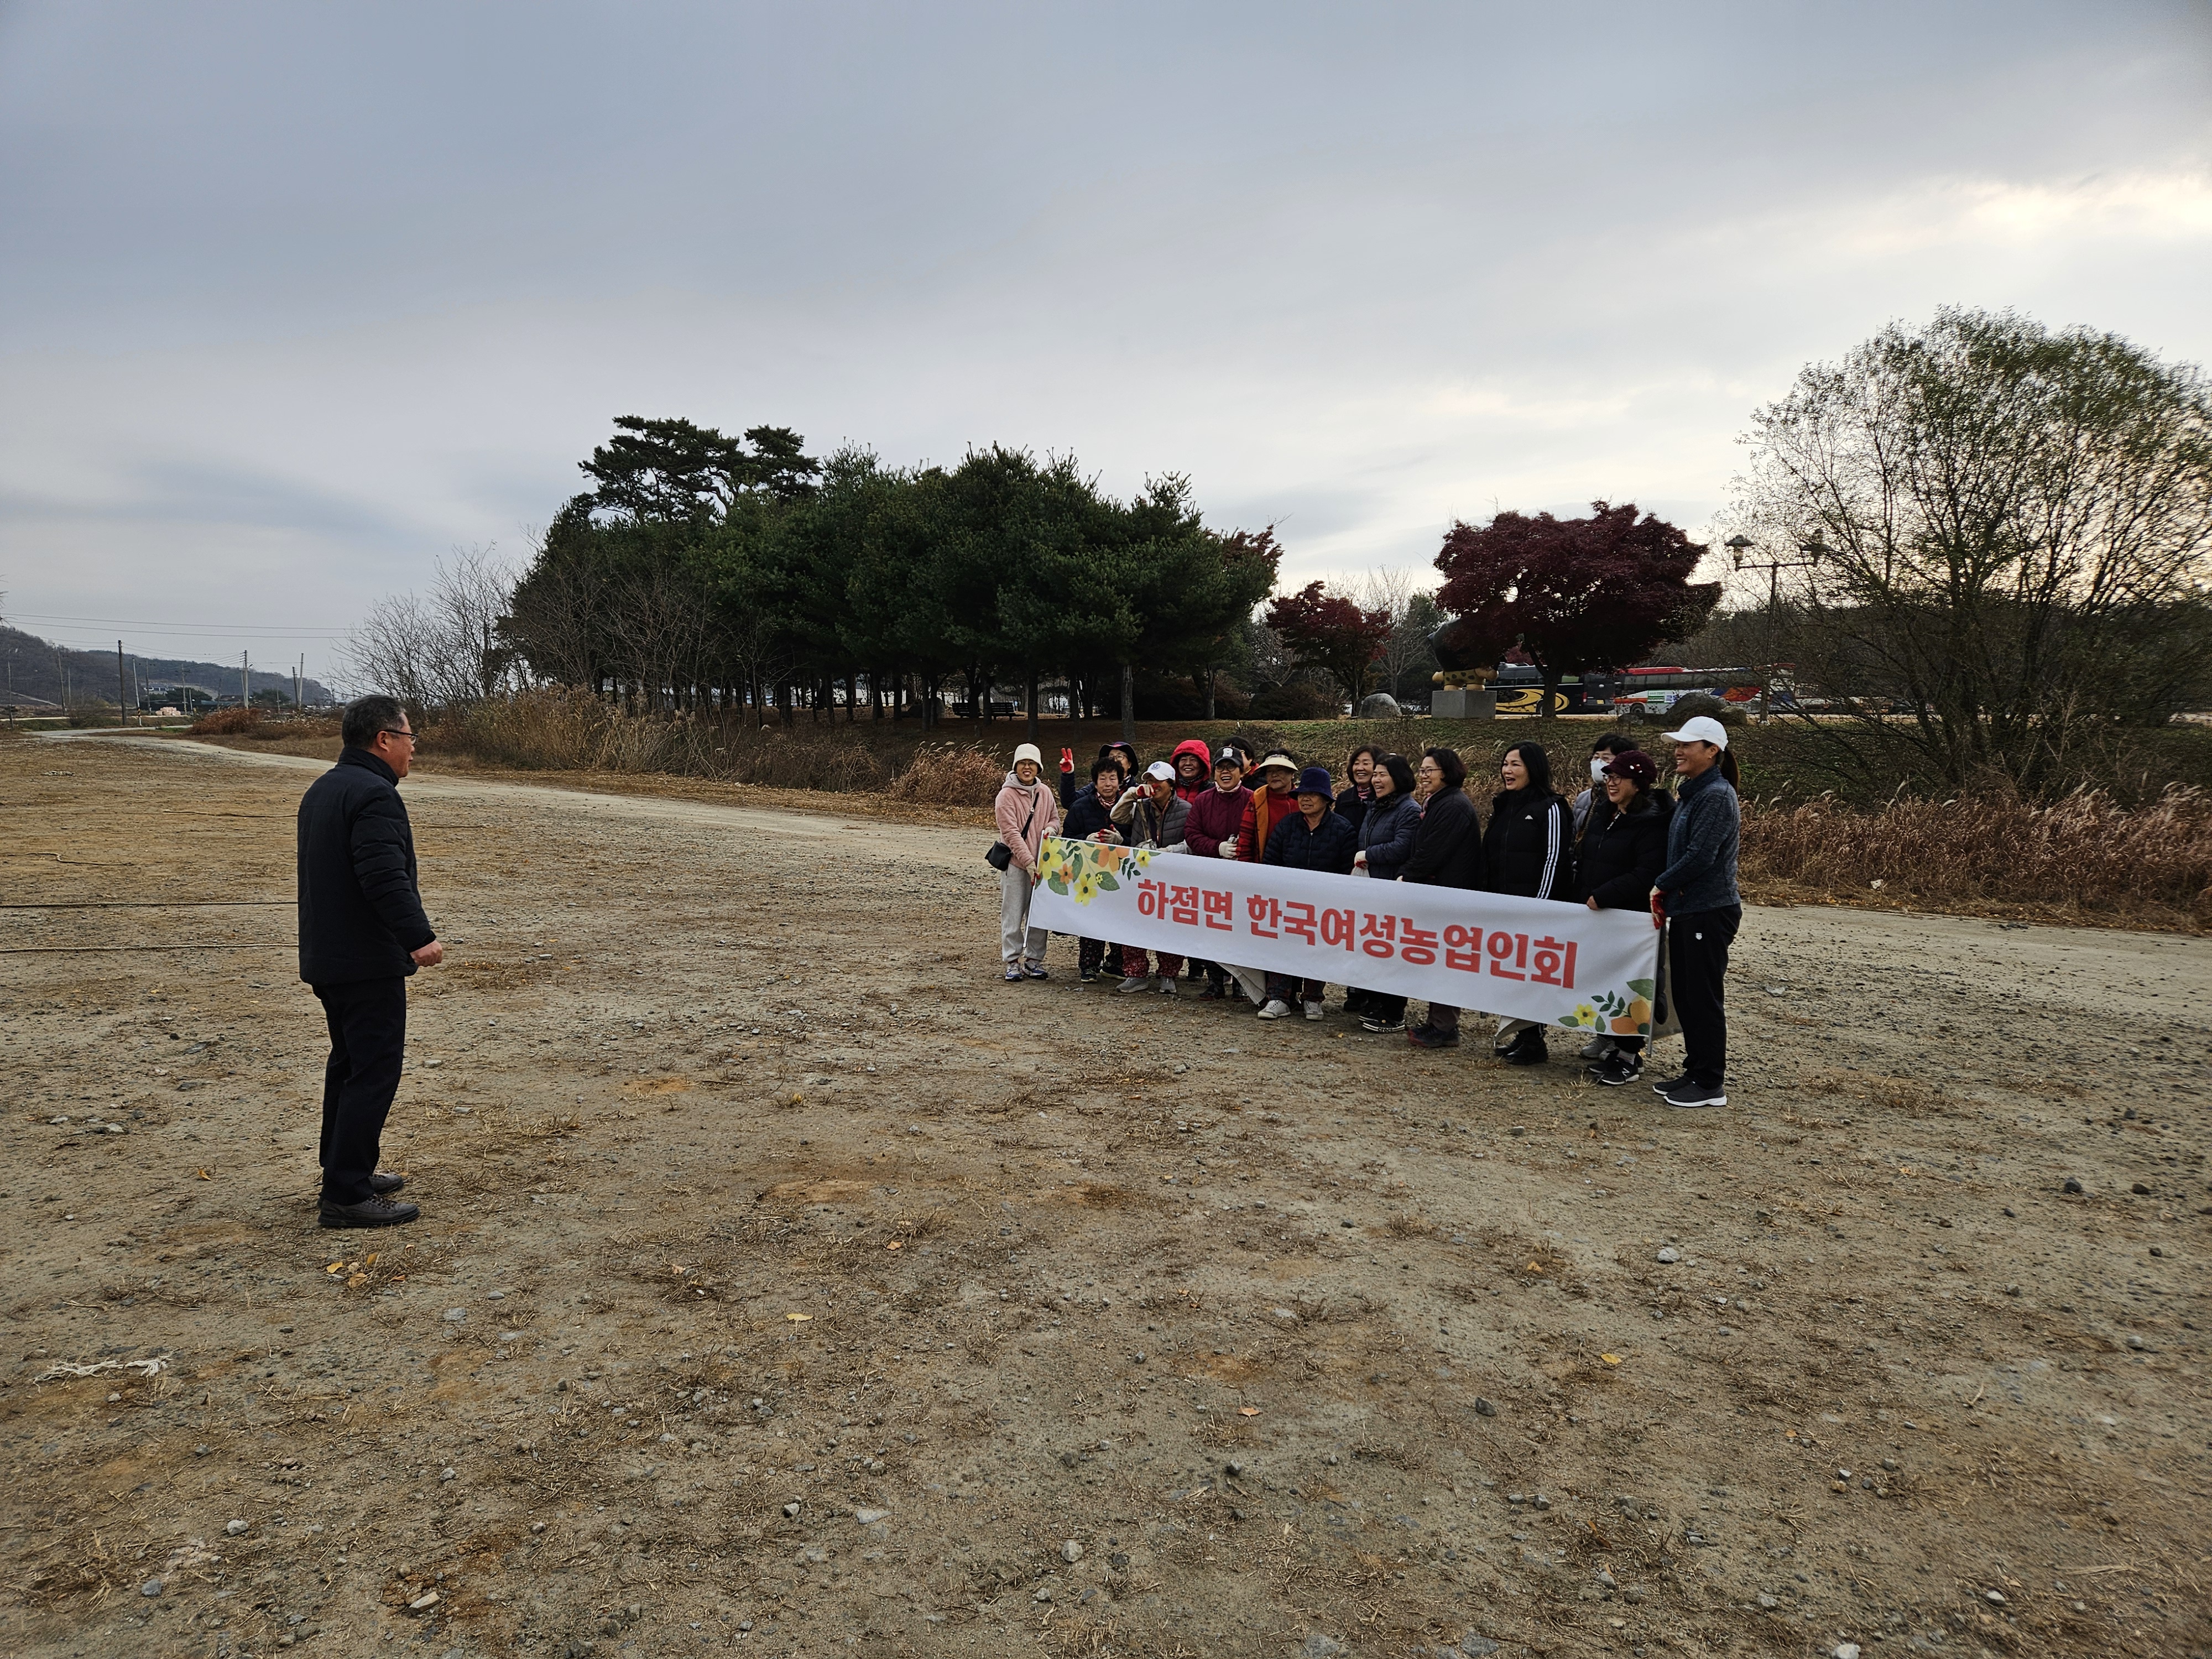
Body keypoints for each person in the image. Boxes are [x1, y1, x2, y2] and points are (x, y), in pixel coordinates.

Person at [296, 694, 444, 1229]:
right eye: (409, 738)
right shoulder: (374, 794)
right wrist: (418, 937)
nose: (413, 749)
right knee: (373, 1072)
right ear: (384, 739)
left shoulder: (325, 788)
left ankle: (342, 1168)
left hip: (330, 956)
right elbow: (382, 876)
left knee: (349, 1065)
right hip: (365, 961)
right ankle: (346, 1193)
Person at [1650, 715, 1742, 1109]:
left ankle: (1709, 1083)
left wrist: (1661, 884)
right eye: (1678, 744)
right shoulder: (1694, 793)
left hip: (1710, 909)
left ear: (1712, 751)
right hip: (1690, 908)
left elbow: (1701, 855)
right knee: (1687, 996)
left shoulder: (1716, 796)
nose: (1678, 751)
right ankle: (1695, 1070)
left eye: (1687, 745)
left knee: (1703, 997)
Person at [1572, 750, 1674, 1085]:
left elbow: (1647, 872)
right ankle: (1613, 1043)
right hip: (1600, 916)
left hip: (1631, 919)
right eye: (1609, 777)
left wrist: (1604, 894)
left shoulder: (1653, 822)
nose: (1611, 783)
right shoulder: (1606, 813)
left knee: (1630, 985)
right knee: (1604, 981)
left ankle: (1630, 1055)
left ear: (1638, 783)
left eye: (1618, 777)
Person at [1480, 740, 1574, 1066]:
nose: (1507, 771)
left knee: (1534, 974)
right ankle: (1523, 1035)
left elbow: (1555, 859)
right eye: (1505, 764)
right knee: (1511, 972)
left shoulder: (1552, 807)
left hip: (1535, 909)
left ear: (1533, 769)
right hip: (1503, 906)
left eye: (1515, 764)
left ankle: (1535, 1041)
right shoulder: (1503, 806)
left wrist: (1539, 905)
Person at [1255, 765, 1360, 1021]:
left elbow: (1347, 871)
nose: (1305, 799)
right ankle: (1279, 997)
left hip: (1325, 904)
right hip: (1287, 902)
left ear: (1326, 799)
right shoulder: (1287, 826)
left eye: (1312, 794)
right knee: (1281, 947)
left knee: (1318, 949)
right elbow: (1271, 863)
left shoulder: (1343, 830)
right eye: (1302, 794)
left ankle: (1313, 998)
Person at [1402, 747, 1485, 1049]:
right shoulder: (1439, 802)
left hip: (1451, 895)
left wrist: (1407, 875)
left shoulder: (1453, 806)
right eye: (1421, 770)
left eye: (1430, 771)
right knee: (1437, 960)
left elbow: (1433, 852)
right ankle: (1438, 1022)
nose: (1423, 776)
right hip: (1439, 893)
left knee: (1446, 962)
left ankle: (1444, 1026)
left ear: (1447, 772)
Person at [1349, 754, 1421, 1032]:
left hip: (1393, 888)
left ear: (1399, 778)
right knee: (1374, 946)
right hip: (1372, 887)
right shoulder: (1376, 806)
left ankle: (1393, 1011)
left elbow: (1402, 847)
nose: (1376, 780)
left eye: (1383, 775)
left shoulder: (1409, 809)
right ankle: (1375, 1001)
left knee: (1392, 949)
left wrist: (1369, 854)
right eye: (1375, 775)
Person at [1111, 761, 1191, 995]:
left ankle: (1168, 974)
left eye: (1158, 781)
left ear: (1171, 784)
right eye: (1149, 780)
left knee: (1171, 924)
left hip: (1172, 875)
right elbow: (1117, 816)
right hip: (1140, 873)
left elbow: (1191, 842)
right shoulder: (1140, 805)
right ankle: (1136, 974)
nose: (1153, 785)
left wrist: (1167, 852)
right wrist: (1131, 794)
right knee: (1134, 922)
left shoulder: (1186, 809)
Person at [1183, 746, 1253, 1000]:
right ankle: (1215, 982)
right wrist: (1217, 848)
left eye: (1231, 767)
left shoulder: (1253, 799)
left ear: (1241, 772)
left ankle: (1241, 983)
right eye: (1221, 768)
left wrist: (1241, 850)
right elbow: (1192, 834)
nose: (1226, 772)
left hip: (1242, 878)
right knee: (1210, 929)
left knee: (1240, 931)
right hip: (1210, 875)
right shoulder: (1203, 800)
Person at [994, 742, 1062, 982]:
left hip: (1042, 865)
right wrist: (1028, 862)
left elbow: (1055, 819)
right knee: (1012, 915)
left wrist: (1051, 830)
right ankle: (1012, 961)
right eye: (1023, 763)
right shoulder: (1005, 796)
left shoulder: (1045, 793)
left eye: (1031, 763)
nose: (1027, 767)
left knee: (1038, 915)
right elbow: (1011, 834)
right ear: (1015, 766)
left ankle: (1034, 960)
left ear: (1038, 767)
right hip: (1015, 865)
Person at [1061, 756, 1128, 983]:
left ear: (1120, 781)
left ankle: (1116, 963)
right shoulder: (1081, 807)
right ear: (1095, 782)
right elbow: (1066, 838)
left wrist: (1121, 840)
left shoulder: (1131, 806)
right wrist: (1086, 840)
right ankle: (1089, 965)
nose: (1108, 783)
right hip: (1090, 873)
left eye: (1113, 778)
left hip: (1121, 873)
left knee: (1121, 918)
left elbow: (1139, 839)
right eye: (1103, 779)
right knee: (1092, 918)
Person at [1231, 752, 1302, 863]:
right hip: (1263, 865)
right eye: (1270, 771)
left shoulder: (1303, 799)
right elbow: (1245, 841)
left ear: (1292, 773)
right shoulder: (1257, 799)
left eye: (1280, 770)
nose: (1274, 775)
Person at [1569, 731, 1634, 836]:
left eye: (1606, 758)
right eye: (1596, 757)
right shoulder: (1584, 799)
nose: (1598, 763)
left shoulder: (1628, 799)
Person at [1060, 742, 1134, 810]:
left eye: (1120, 757)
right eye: (1111, 757)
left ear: (1129, 764)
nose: (1115, 760)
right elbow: (1070, 802)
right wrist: (1068, 774)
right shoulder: (1095, 788)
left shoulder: (1136, 791)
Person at [1334, 745, 1381, 835]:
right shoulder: (1343, 799)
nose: (1359, 768)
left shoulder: (1385, 799)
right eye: (1356, 763)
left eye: (1366, 764)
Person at [1168, 738, 1214, 802]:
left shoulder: (1213, 792)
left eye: (1193, 760)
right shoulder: (1167, 789)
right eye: (1183, 760)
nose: (1188, 764)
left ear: (1202, 765)